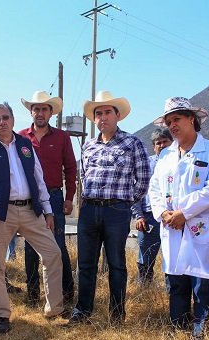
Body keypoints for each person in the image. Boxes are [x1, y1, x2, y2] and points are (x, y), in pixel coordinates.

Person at [0, 102, 65, 334]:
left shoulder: (25, 145)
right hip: (2, 214)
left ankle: (54, 309)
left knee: (53, 254)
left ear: (13, 119)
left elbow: (38, 179)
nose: (2, 122)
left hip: (31, 210)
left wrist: (48, 211)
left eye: (5, 117)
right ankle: (2, 314)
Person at [68, 91, 151, 326]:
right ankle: (82, 311)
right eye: (98, 114)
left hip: (116, 211)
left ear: (117, 116)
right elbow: (82, 175)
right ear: (94, 119)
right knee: (85, 264)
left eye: (107, 112)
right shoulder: (88, 146)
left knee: (116, 263)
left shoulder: (132, 143)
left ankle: (117, 315)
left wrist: (125, 201)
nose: (102, 117)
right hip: (89, 210)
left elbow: (143, 179)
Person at [148, 98, 209, 340]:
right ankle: (177, 326)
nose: (172, 125)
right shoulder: (166, 156)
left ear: (192, 119)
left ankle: (201, 331)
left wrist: (184, 213)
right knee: (176, 281)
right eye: (169, 122)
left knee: (202, 282)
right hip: (172, 227)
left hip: (199, 227)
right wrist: (162, 213)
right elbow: (155, 189)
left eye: (177, 119)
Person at [18, 91, 77, 304]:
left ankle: (66, 292)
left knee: (58, 245)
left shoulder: (62, 137)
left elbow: (71, 168)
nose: (40, 113)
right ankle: (33, 294)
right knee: (30, 247)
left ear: (51, 112)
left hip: (54, 196)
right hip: (28, 198)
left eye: (44, 109)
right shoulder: (20, 137)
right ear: (31, 112)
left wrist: (69, 198)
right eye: (36, 109)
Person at [133, 127, 172, 284]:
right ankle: (144, 287)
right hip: (149, 217)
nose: (162, 145)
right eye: (158, 143)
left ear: (172, 142)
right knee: (145, 255)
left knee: (172, 256)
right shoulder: (146, 164)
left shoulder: (180, 162)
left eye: (165, 142)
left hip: (173, 216)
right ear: (153, 146)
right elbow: (135, 190)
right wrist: (138, 215)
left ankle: (171, 290)